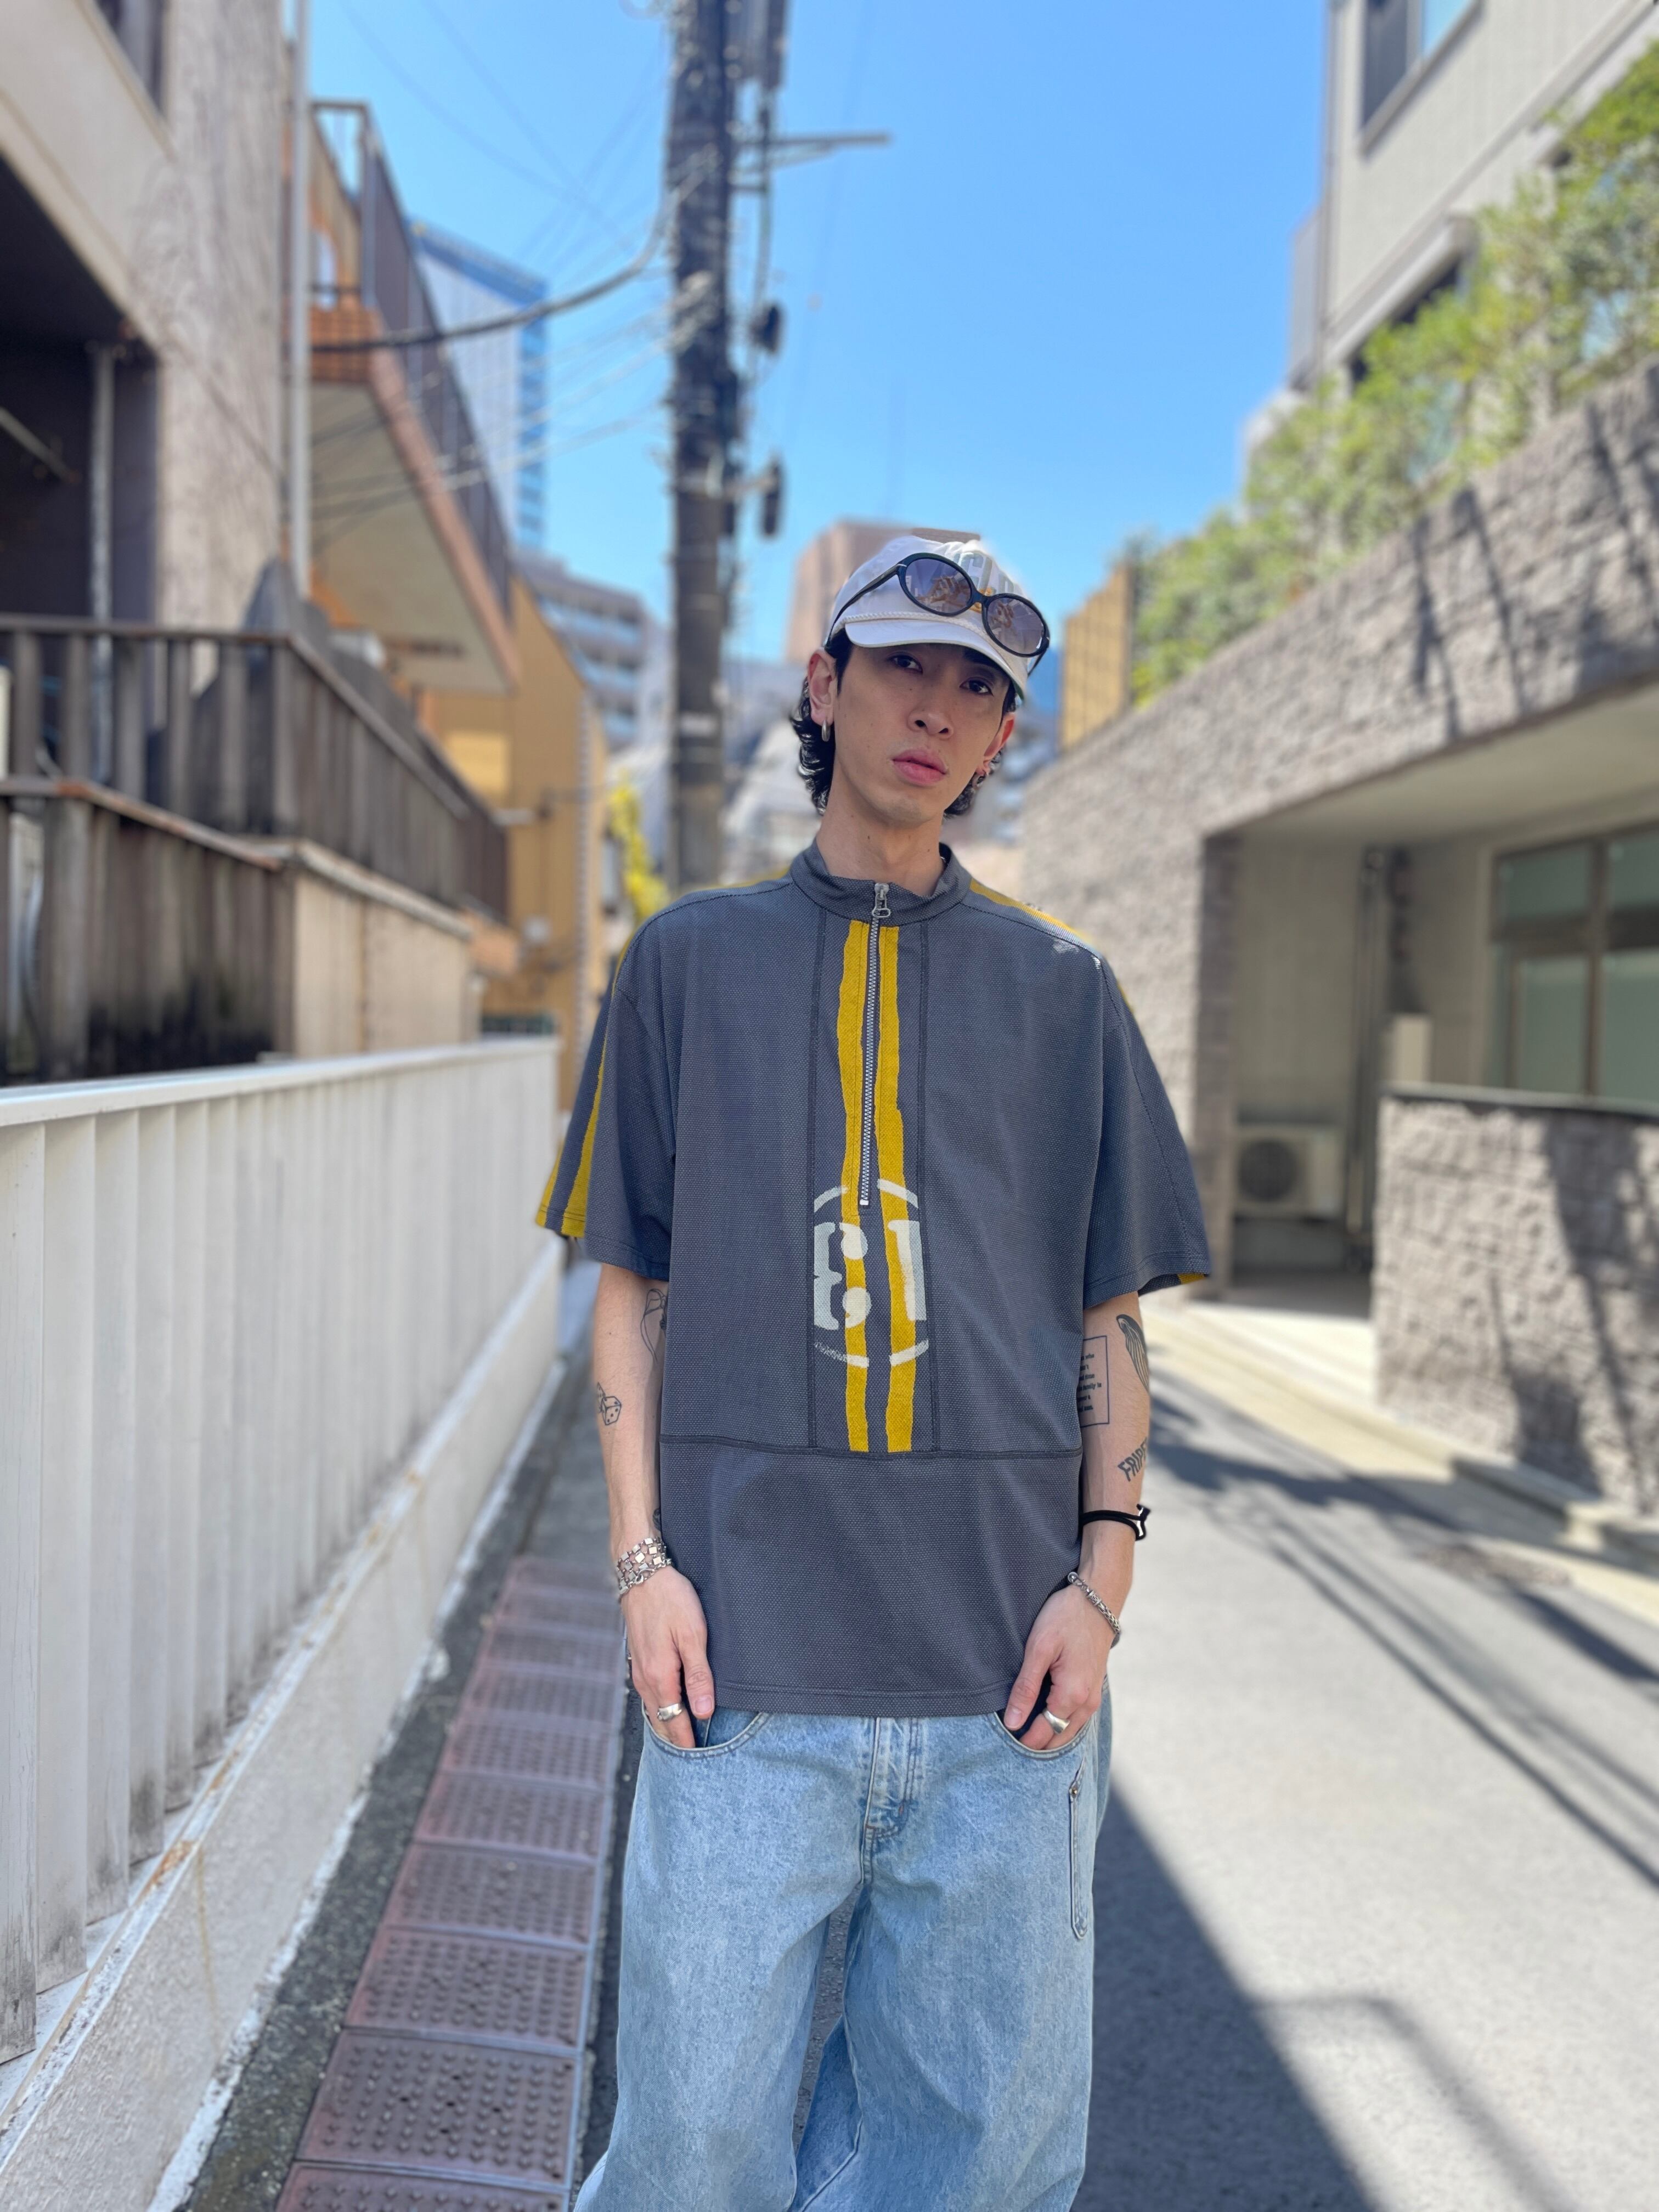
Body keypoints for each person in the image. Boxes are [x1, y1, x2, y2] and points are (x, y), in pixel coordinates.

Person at [538, 535, 1210, 2210]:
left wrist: (1104, 1587)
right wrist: (639, 1565)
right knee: (688, 2156)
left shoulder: (1069, 996)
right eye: (907, 664)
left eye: (981, 688)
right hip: (743, 1680)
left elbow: (1108, 1322)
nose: (940, 708)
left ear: (1002, 738)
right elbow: (631, 1289)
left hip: (1004, 1698)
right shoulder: (686, 965)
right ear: (825, 686)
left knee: (966, 2171)